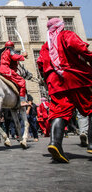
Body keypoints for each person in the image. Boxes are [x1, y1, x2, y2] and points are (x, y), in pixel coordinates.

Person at [37, 18, 92, 163]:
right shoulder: (67, 35)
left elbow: (41, 66)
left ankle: (55, 143)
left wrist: (46, 81)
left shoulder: (44, 47)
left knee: (59, 112)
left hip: (55, 84)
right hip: (75, 78)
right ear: (61, 26)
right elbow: (81, 49)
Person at [0, 41, 29, 106]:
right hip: (6, 70)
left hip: (1, 69)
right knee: (22, 82)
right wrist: (23, 55)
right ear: (12, 47)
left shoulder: (3, 52)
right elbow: (14, 57)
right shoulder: (10, 51)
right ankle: (22, 101)